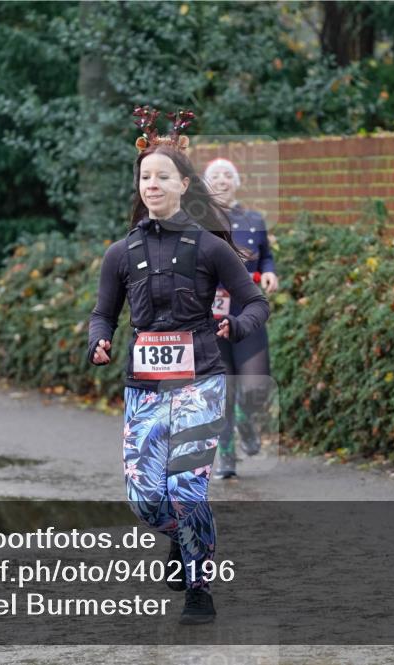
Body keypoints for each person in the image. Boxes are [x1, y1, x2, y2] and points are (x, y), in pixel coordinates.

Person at [87, 107, 269, 624]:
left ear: (184, 184)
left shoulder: (211, 247)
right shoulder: (120, 253)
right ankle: (183, 537)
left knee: (188, 488)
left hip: (201, 382)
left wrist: (239, 324)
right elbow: (103, 314)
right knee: (146, 497)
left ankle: (198, 588)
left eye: (162, 176)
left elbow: (256, 302)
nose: (151, 185)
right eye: (145, 177)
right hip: (144, 387)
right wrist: (99, 341)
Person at [203, 158, 278, 479]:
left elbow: (268, 256)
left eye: (227, 175)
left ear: (237, 182)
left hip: (247, 310)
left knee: (253, 386)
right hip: (212, 314)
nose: (222, 180)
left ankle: (247, 424)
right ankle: (227, 458)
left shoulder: (254, 219)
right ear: (207, 184)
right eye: (215, 175)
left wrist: (270, 273)